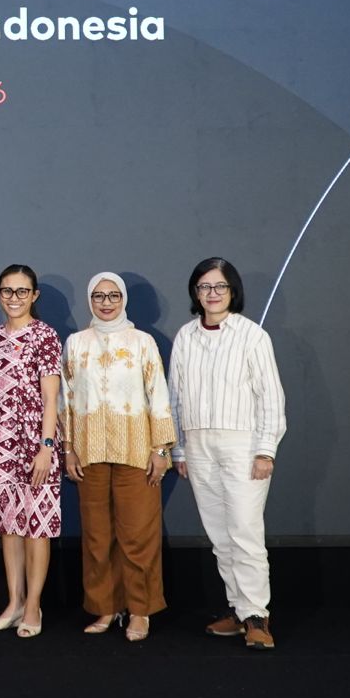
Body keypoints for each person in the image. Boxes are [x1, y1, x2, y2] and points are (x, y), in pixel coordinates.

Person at [169, 257, 287, 650]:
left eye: (220, 286)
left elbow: (271, 398)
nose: (212, 293)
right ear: (195, 292)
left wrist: (265, 451)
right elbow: (175, 396)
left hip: (243, 446)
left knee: (245, 532)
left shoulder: (252, 336)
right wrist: (179, 449)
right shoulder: (186, 336)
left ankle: (257, 617)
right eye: (205, 287)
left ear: (232, 291)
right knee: (220, 536)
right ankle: (238, 610)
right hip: (198, 445)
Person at [60, 272, 177, 642]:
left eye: (113, 295)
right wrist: (68, 448)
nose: (106, 302)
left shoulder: (142, 342)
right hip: (89, 454)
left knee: (138, 535)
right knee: (97, 538)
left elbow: (159, 394)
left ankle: (140, 610)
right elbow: (66, 399)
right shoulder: (76, 343)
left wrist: (161, 449)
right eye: (98, 296)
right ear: (89, 300)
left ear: (123, 299)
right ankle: (105, 607)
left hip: (136, 452)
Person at [0, 264, 63, 638]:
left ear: (34, 295)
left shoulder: (45, 336)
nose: (14, 298)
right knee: (8, 525)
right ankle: (15, 602)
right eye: (7, 291)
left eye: (22, 291)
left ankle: (34, 605)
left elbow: (51, 398)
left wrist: (46, 446)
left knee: (36, 526)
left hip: (34, 440)